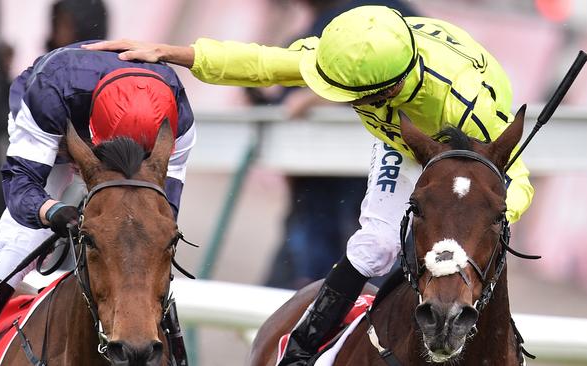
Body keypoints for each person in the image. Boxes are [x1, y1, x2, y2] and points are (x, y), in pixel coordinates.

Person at [84, 5, 534, 365]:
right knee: (376, 244)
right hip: (405, 136)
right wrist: (169, 52)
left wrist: (494, 216)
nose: (354, 106)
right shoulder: (353, 52)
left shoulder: (471, 103)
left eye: (364, 99)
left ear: (393, 84)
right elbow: (263, 65)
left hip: (466, 145)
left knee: (465, 236)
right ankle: (301, 352)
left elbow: (517, 180)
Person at [0, 41, 195, 365]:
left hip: (126, 126)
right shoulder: (49, 94)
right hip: (57, 131)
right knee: (22, 244)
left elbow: (165, 215)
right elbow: (20, 186)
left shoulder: (179, 113)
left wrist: (142, 232)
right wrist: (52, 210)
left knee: (149, 244)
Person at [254, 0, 420, 291]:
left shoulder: (384, 17)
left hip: (376, 169)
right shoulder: (382, 16)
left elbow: (404, 80)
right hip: (323, 179)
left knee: (369, 252)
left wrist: (317, 98)